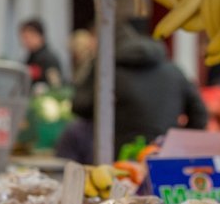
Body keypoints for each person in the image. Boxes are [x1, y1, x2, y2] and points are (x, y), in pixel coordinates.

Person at [56, 20, 208, 164]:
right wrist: (175, 142)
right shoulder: (174, 71)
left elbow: (79, 105)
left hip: (119, 159)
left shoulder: (105, 70)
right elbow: (200, 114)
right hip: (163, 157)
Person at [18, 18, 64, 87]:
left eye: (29, 37)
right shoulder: (30, 57)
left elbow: (56, 86)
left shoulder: (49, 59)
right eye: (24, 38)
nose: (26, 41)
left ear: (40, 36)